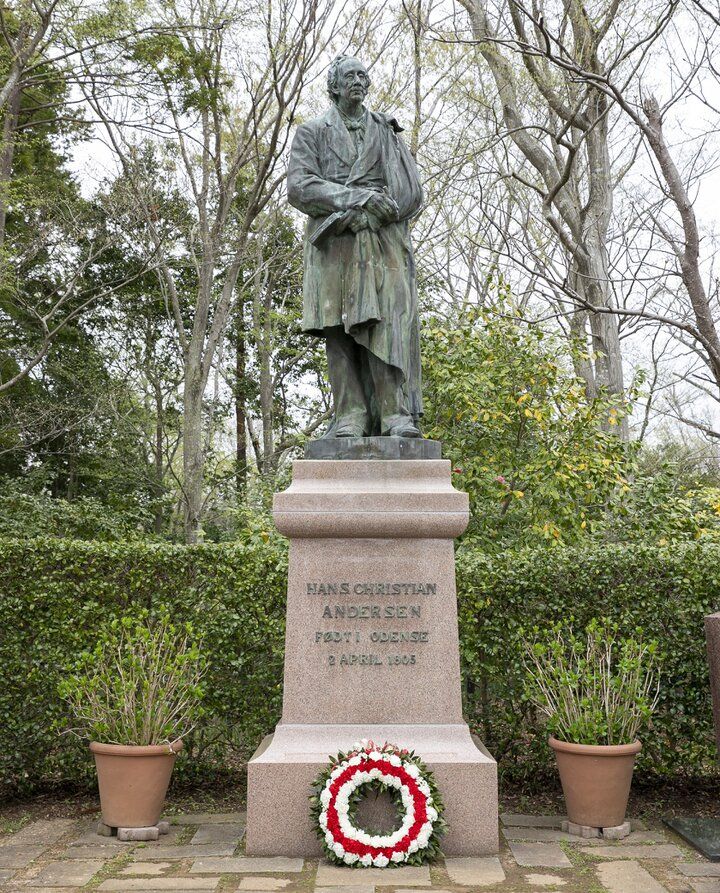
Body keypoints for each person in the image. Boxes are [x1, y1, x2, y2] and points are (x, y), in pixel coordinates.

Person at [287, 54, 424, 438]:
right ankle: (349, 415)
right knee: (339, 330)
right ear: (333, 86)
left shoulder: (386, 131)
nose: (358, 81)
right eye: (350, 76)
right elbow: (299, 187)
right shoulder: (312, 131)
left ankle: (395, 414)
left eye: (363, 76)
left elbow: (412, 191)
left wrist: (379, 212)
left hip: (383, 244)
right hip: (334, 245)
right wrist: (357, 198)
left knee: (387, 325)